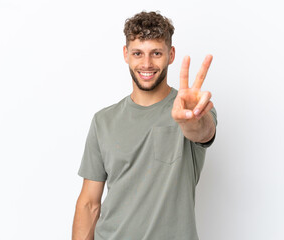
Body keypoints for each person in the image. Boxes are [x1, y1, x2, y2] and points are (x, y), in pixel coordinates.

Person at [72, 11, 217, 240]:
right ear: (126, 54)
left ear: (170, 55)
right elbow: (89, 203)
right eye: (138, 53)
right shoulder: (103, 121)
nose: (146, 64)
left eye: (156, 53)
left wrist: (193, 119)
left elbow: (203, 132)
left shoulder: (191, 109)